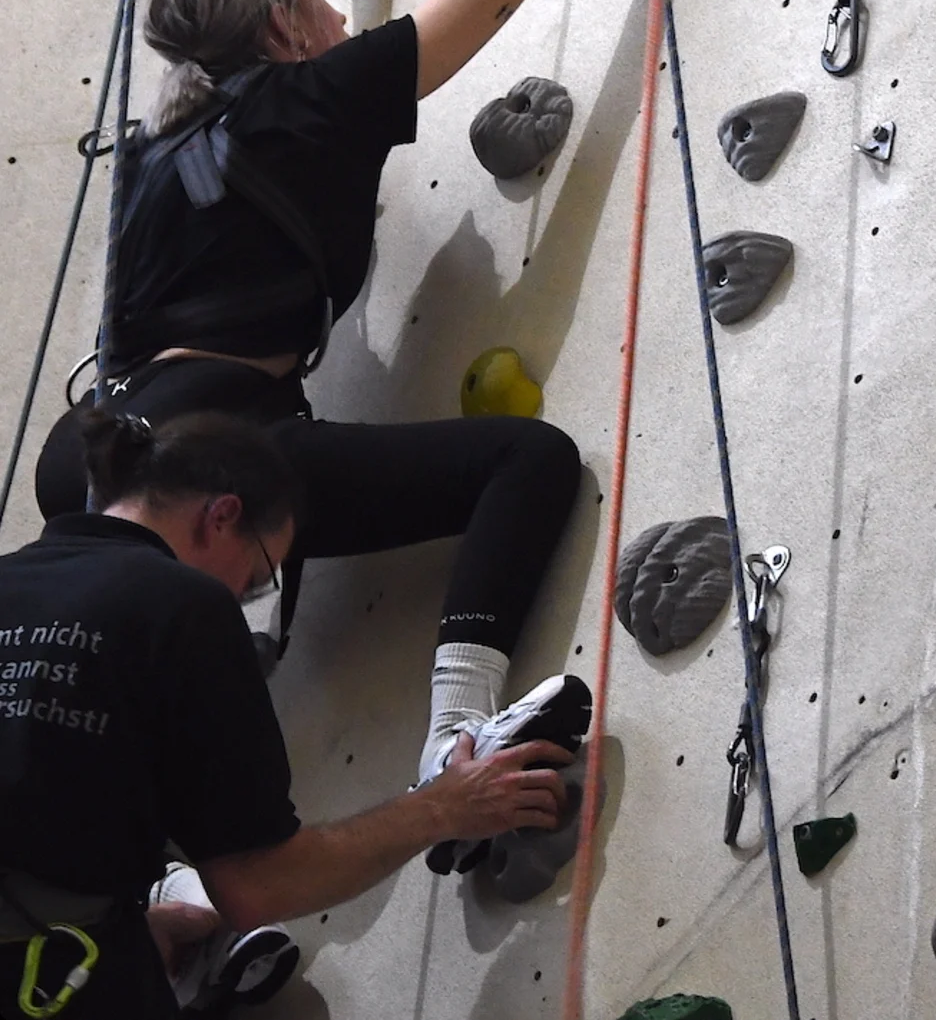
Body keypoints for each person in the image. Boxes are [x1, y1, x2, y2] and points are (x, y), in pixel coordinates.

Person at [34, 0, 697, 840]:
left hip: (93, 451)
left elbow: (240, 68)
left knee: (164, 660)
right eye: (319, 9)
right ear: (290, 31)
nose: (345, 21)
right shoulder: (313, 101)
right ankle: (455, 736)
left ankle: (167, 868)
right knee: (526, 461)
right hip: (218, 441)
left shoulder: (160, 147)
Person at [0, 411, 576, 1020]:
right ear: (221, 517)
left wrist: (133, 927)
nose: (244, 599)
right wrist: (447, 805)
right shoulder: (180, 603)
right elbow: (259, 885)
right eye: (255, 578)